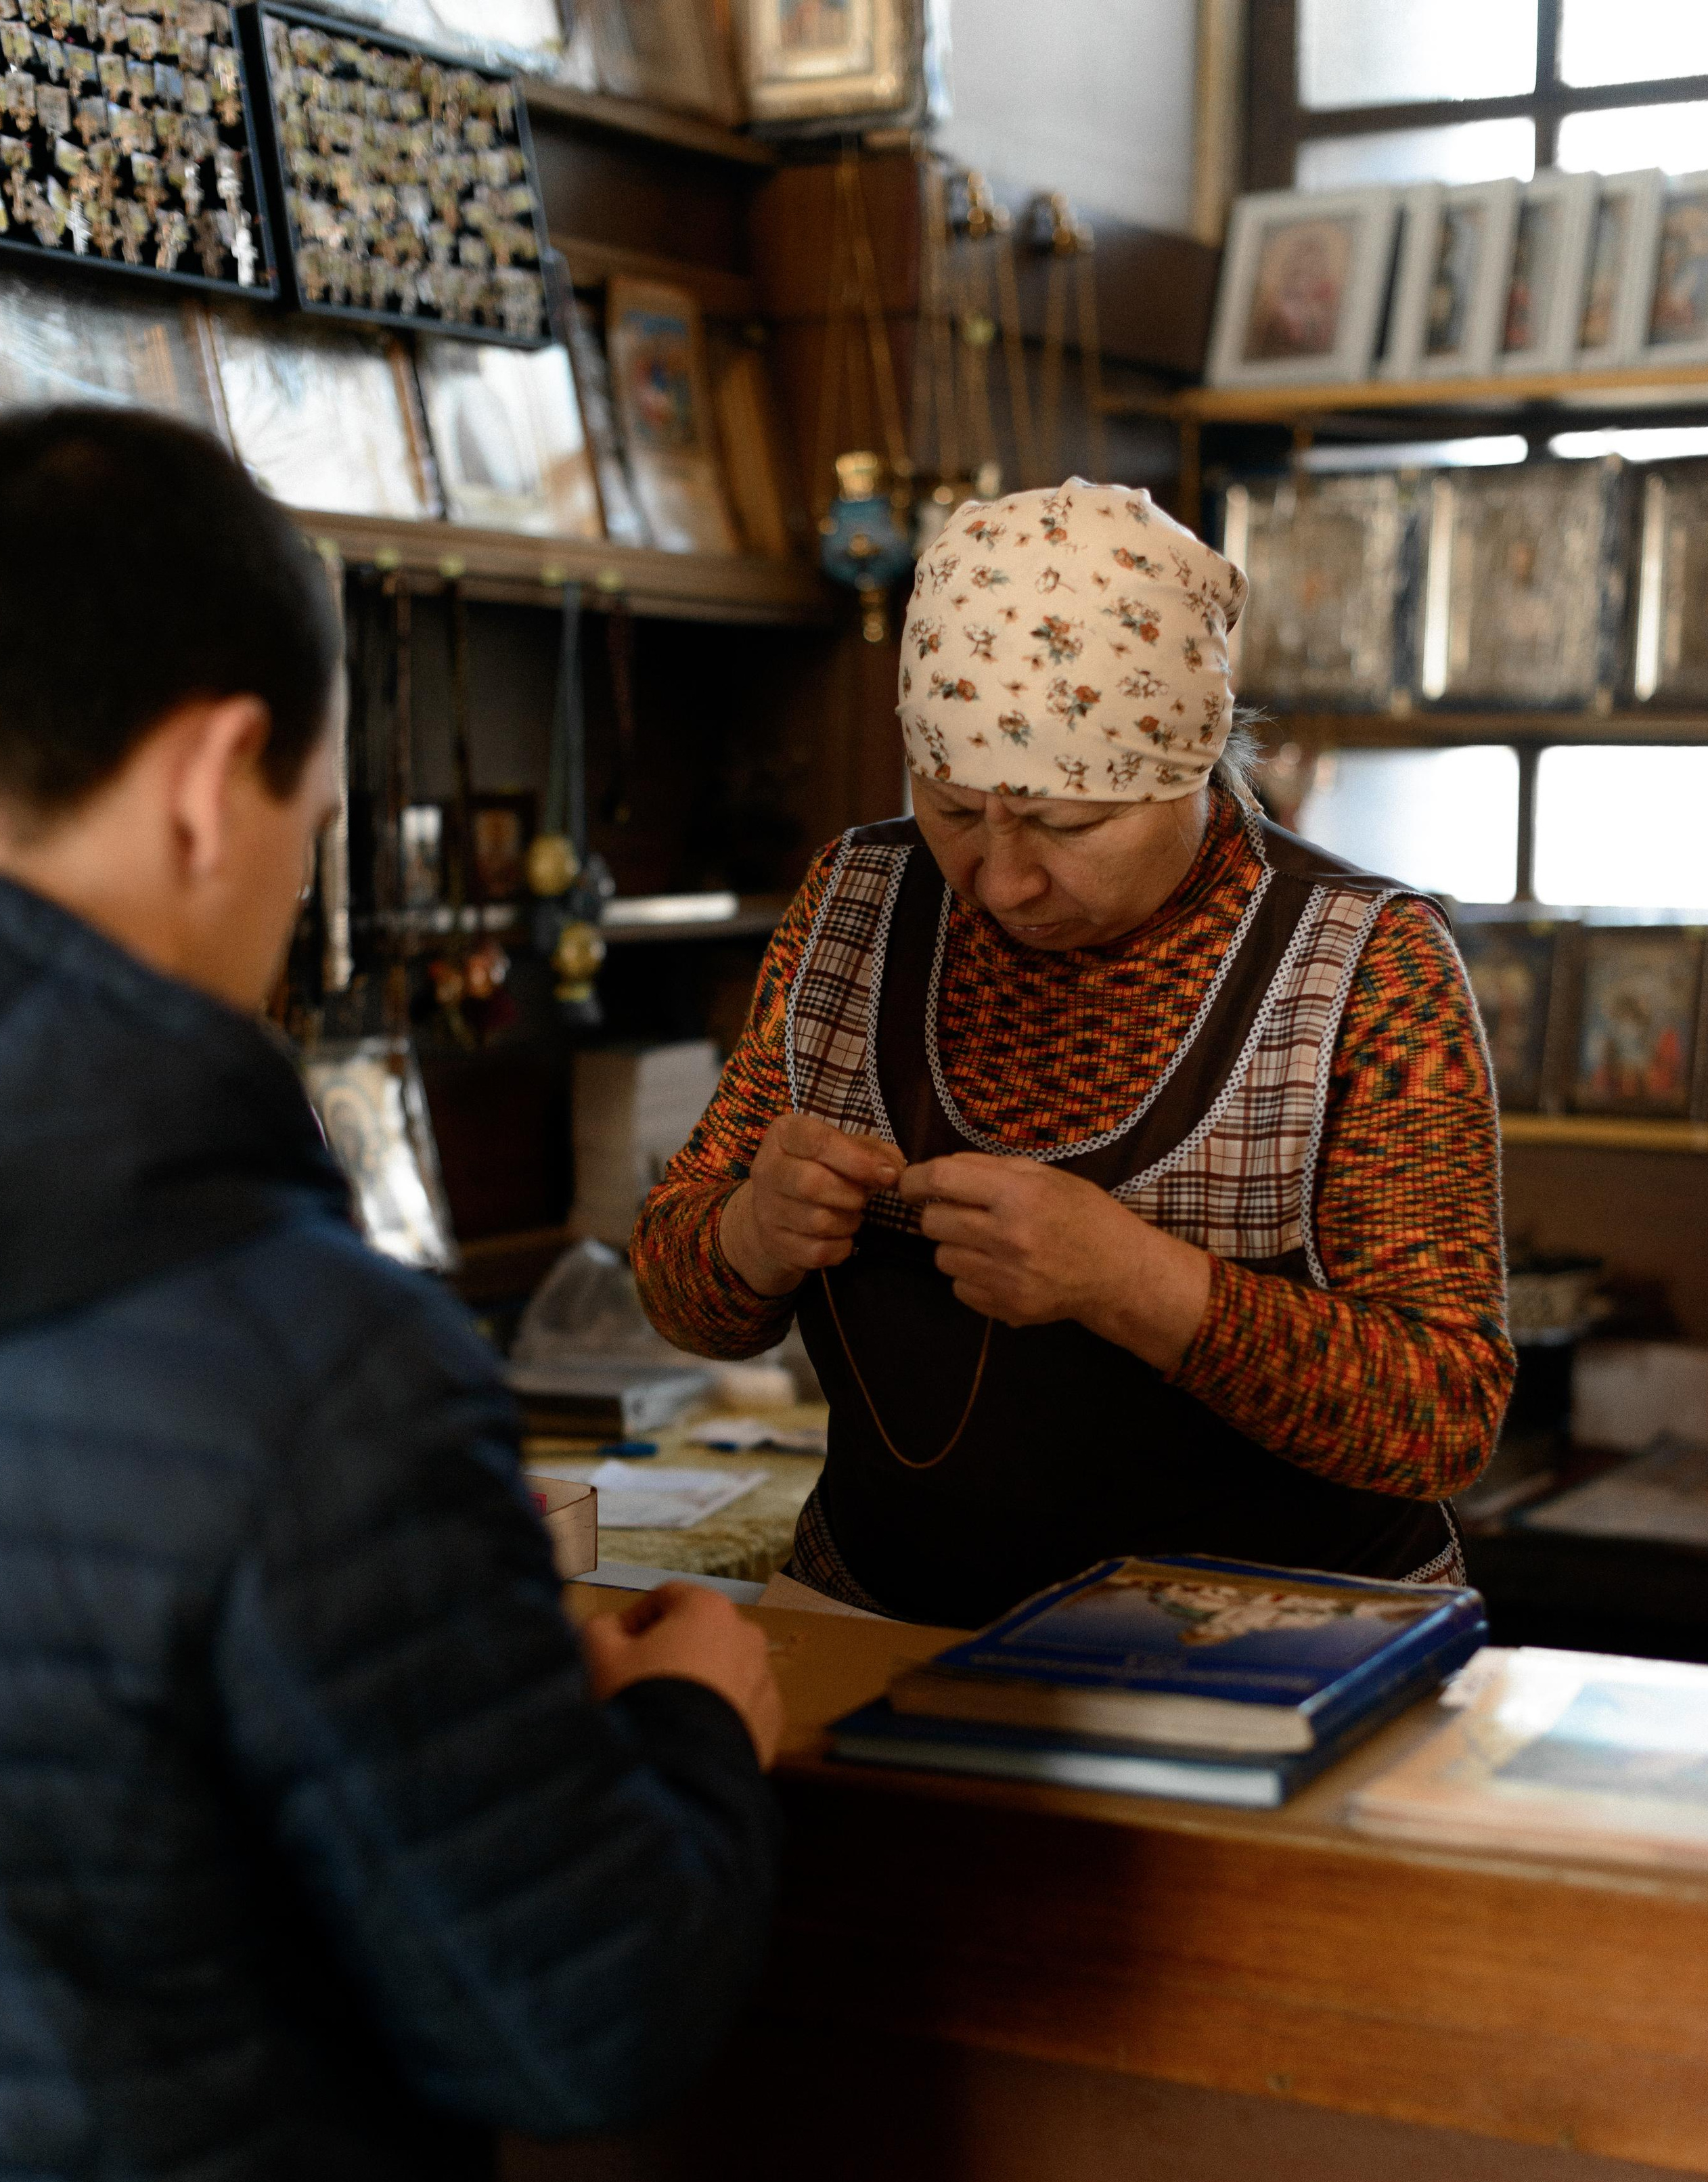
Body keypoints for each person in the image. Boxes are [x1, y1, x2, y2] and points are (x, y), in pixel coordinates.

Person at [0, 405, 784, 2182]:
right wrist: (693, 1710)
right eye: (317, 822)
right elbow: (581, 2011)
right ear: (208, 778)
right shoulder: (303, 1360)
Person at [633, 477, 1515, 1627]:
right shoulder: (854, 906)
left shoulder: (1364, 966)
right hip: (881, 1626)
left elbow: (1444, 1416)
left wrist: (1134, 1282)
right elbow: (678, 1291)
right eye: (953, 810)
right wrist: (748, 1235)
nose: (1004, 881)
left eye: (1068, 824)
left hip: (1275, 1662)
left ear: (1191, 767)